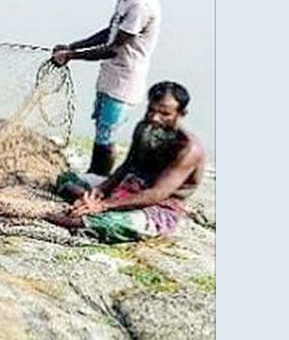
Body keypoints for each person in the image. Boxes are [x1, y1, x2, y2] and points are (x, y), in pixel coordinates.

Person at [52, 0, 162, 176]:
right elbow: (109, 33)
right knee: (101, 128)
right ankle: (94, 174)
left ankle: (99, 181)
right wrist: (72, 46)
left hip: (123, 83)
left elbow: (115, 48)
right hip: (110, 76)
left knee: (107, 135)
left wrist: (72, 55)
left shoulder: (142, 6)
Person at [44, 81, 205, 243]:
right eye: (151, 110)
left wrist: (104, 205)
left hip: (158, 205)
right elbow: (128, 166)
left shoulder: (188, 149)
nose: (154, 118)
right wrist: (101, 189)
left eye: (165, 114)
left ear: (181, 114)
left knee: (107, 223)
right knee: (65, 179)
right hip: (129, 189)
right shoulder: (145, 127)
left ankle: (86, 211)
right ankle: (91, 203)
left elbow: (157, 193)